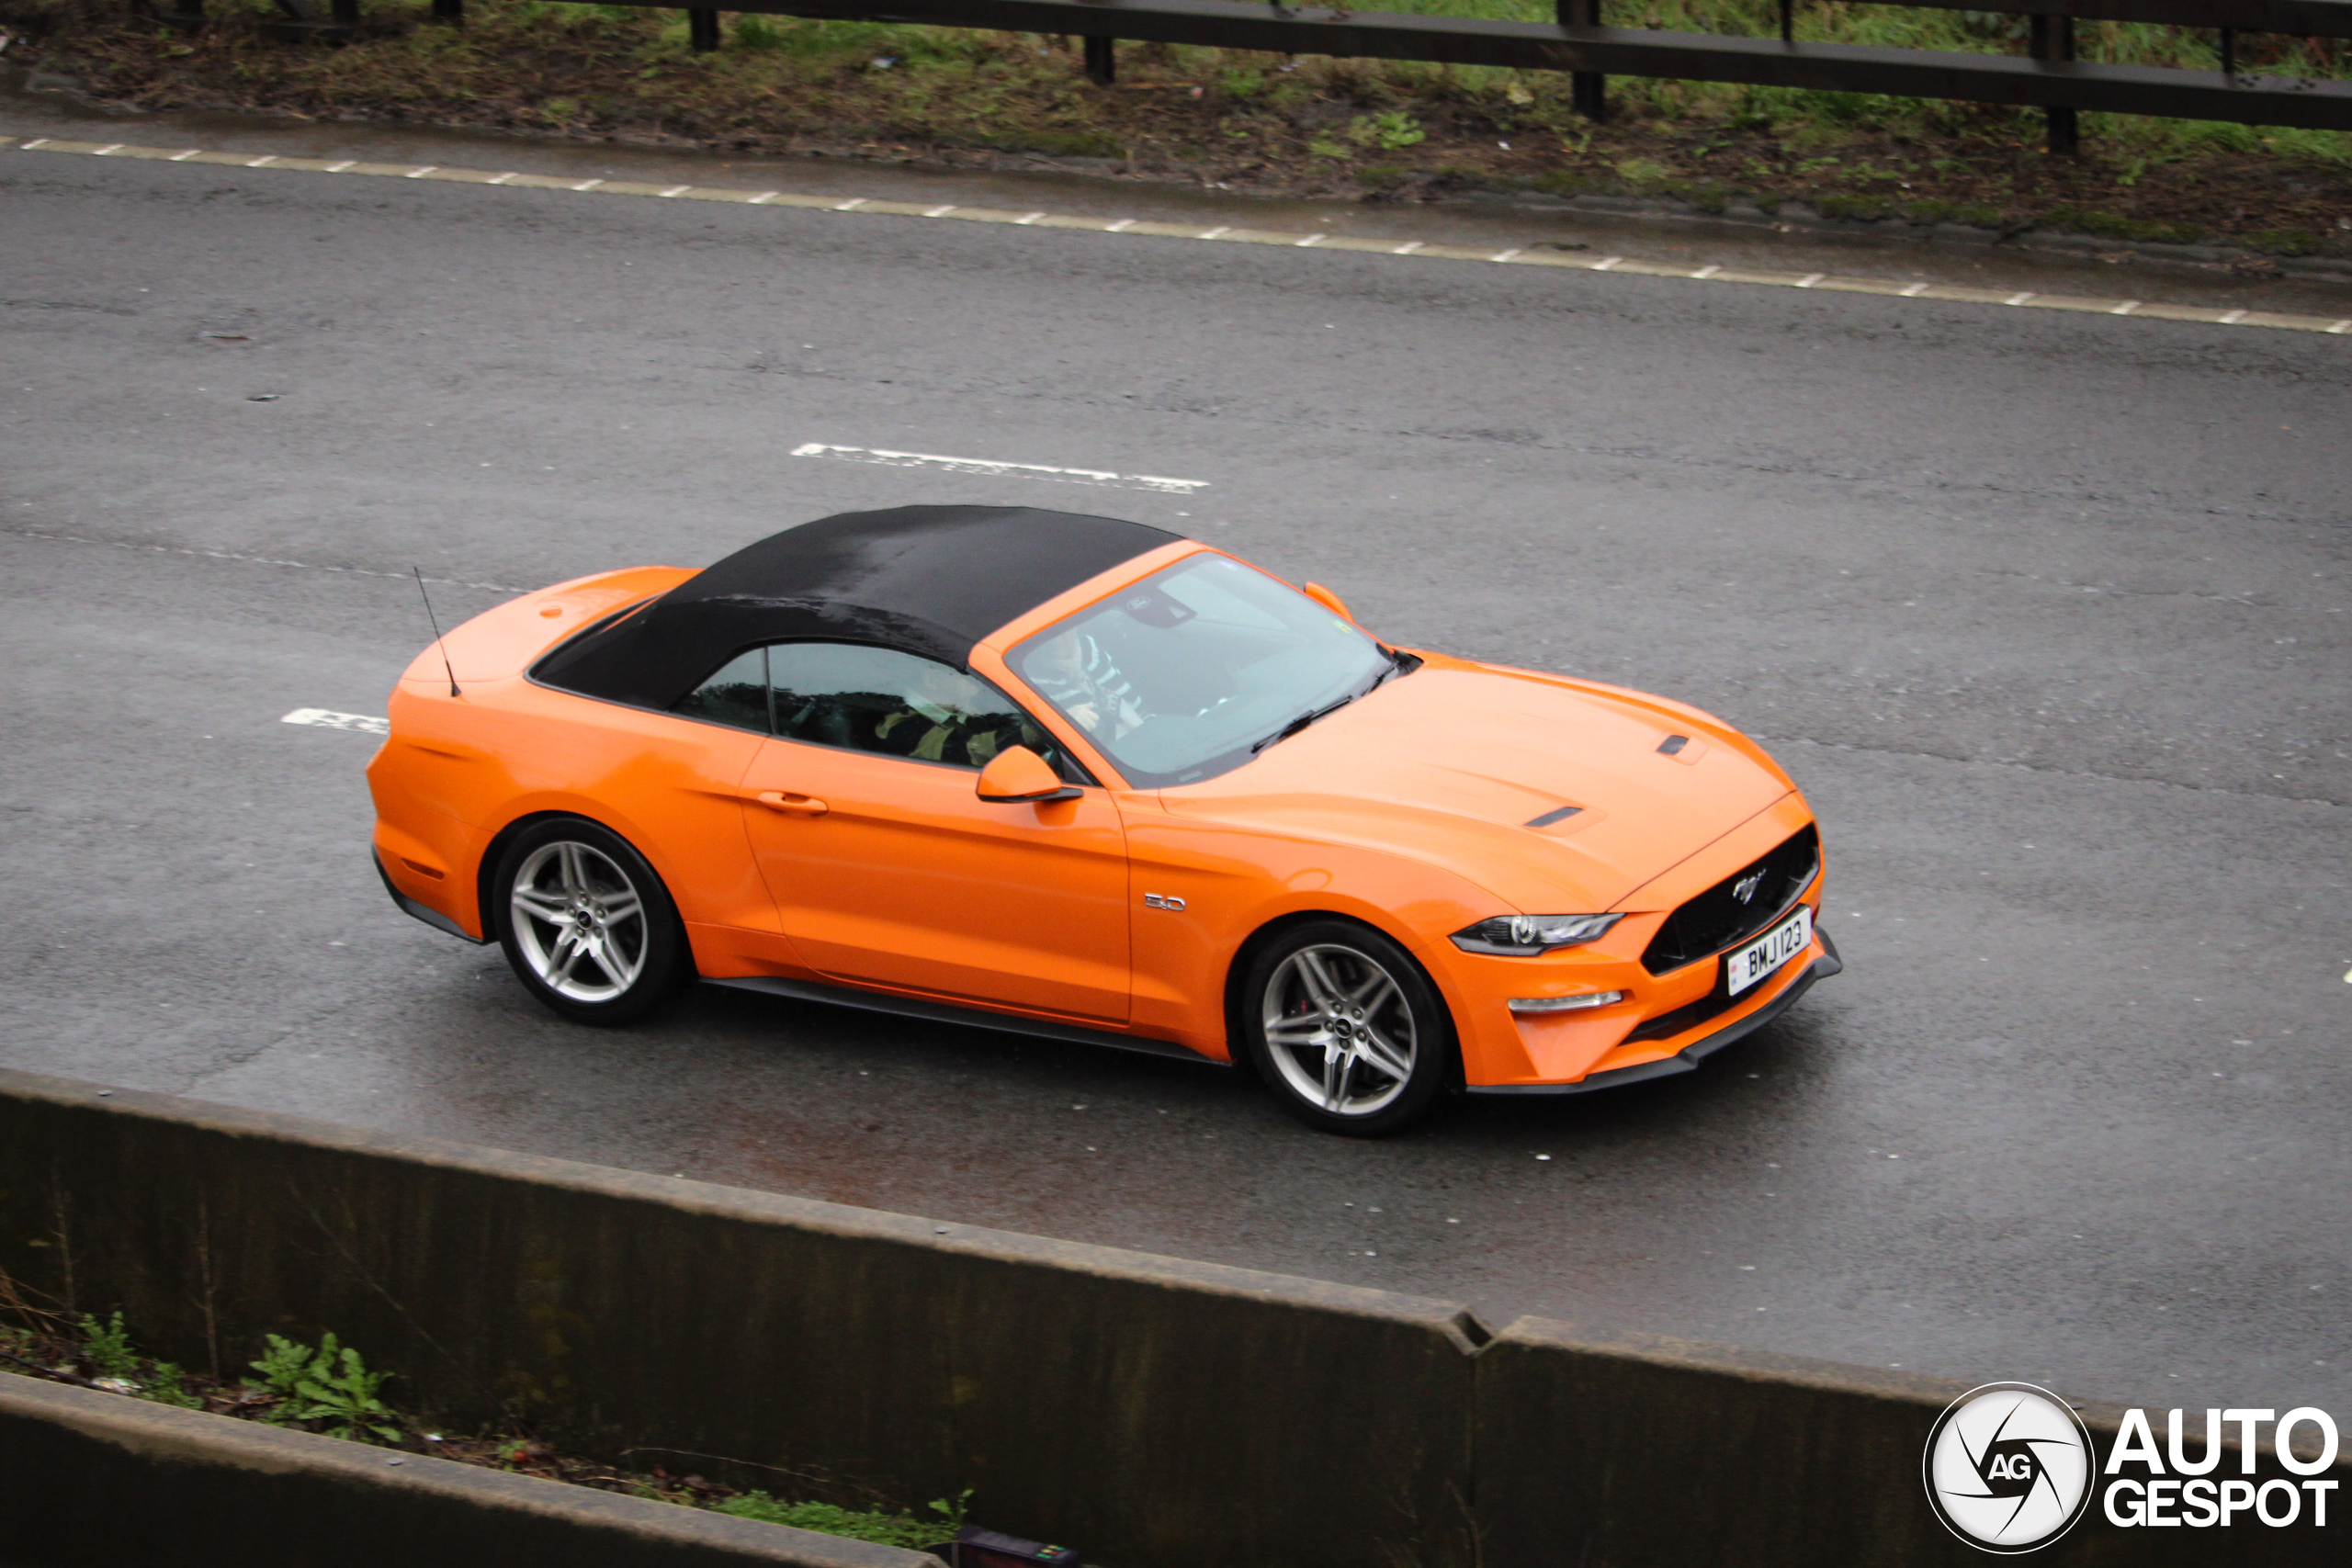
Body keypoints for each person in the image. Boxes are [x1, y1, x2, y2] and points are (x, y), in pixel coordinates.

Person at [865, 661, 1053, 770]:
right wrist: (1044, 729)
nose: (974, 677)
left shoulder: (963, 702)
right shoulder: (900, 727)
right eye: (963, 672)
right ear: (933, 680)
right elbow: (974, 750)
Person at [1023, 627, 1143, 740]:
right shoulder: (1031, 680)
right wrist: (1064, 722)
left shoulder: (1089, 648)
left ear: (1073, 627)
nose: (1055, 642)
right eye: (1044, 635)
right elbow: (1032, 737)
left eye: (1060, 631)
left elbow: (1137, 704)